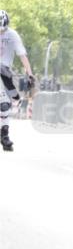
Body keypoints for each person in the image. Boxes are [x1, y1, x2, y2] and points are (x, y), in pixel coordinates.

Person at [0, 10, 35, 151]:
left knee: (6, 105)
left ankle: (4, 135)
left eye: (2, 31)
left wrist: (30, 74)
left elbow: (22, 56)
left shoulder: (13, 35)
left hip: (4, 71)